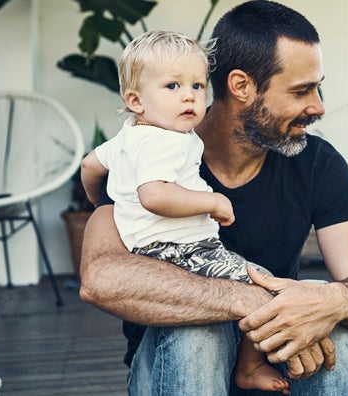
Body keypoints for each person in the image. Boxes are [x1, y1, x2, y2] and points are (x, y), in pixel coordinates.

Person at [78, 1, 348, 395]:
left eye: (317, 87)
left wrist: (335, 301)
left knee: (332, 329)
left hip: (268, 365)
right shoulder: (145, 150)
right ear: (241, 86)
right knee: (200, 333)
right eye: (301, 91)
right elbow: (101, 278)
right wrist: (246, 299)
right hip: (173, 370)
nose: (318, 106)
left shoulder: (318, 164)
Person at [79, 30, 294, 393]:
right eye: (172, 86)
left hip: (152, 252)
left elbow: (89, 166)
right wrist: (213, 202)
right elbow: (154, 196)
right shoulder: (164, 142)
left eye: (197, 85)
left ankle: (247, 365)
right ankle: (249, 367)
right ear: (135, 99)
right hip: (181, 250)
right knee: (265, 286)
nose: (189, 96)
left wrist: (96, 199)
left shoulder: (129, 136)